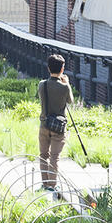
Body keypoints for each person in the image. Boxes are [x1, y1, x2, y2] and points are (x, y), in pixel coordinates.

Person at [38, 54, 74, 192]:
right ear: (62, 68)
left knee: (43, 155)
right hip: (58, 127)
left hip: (44, 124)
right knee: (54, 156)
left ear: (48, 68)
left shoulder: (42, 85)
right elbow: (70, 101)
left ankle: (45, 183)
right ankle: (52, 185)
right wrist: (67, 83)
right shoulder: (64, 87)